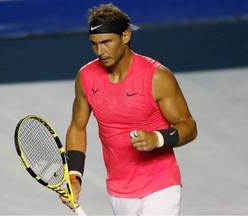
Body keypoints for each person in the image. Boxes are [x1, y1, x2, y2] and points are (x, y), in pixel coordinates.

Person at [60, 3, 198, 215]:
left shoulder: (157, 77)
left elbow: (189, 126)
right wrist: (73, 175)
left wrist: (157, 138)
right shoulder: (86, 77)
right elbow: (77, 128)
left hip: (160, 185)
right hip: (119, 189)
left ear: (125, 36)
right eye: (94, 44)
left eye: (106, 42)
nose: (100, 51)